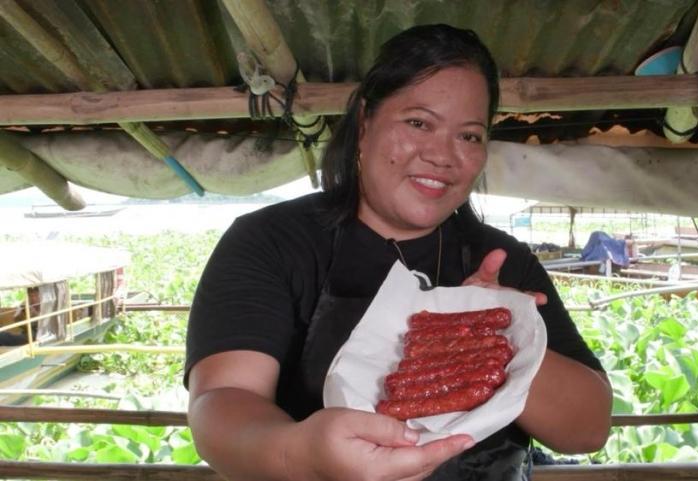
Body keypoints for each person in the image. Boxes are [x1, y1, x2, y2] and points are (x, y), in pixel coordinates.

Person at [185, 24, 612, 481]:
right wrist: (300, 454)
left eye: (469, 136)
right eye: (418, 123)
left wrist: (501, 336)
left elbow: (588, 430)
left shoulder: (503, 261)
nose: (443, 156)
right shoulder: (271, 241)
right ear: (366, 122)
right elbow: (222, 402)